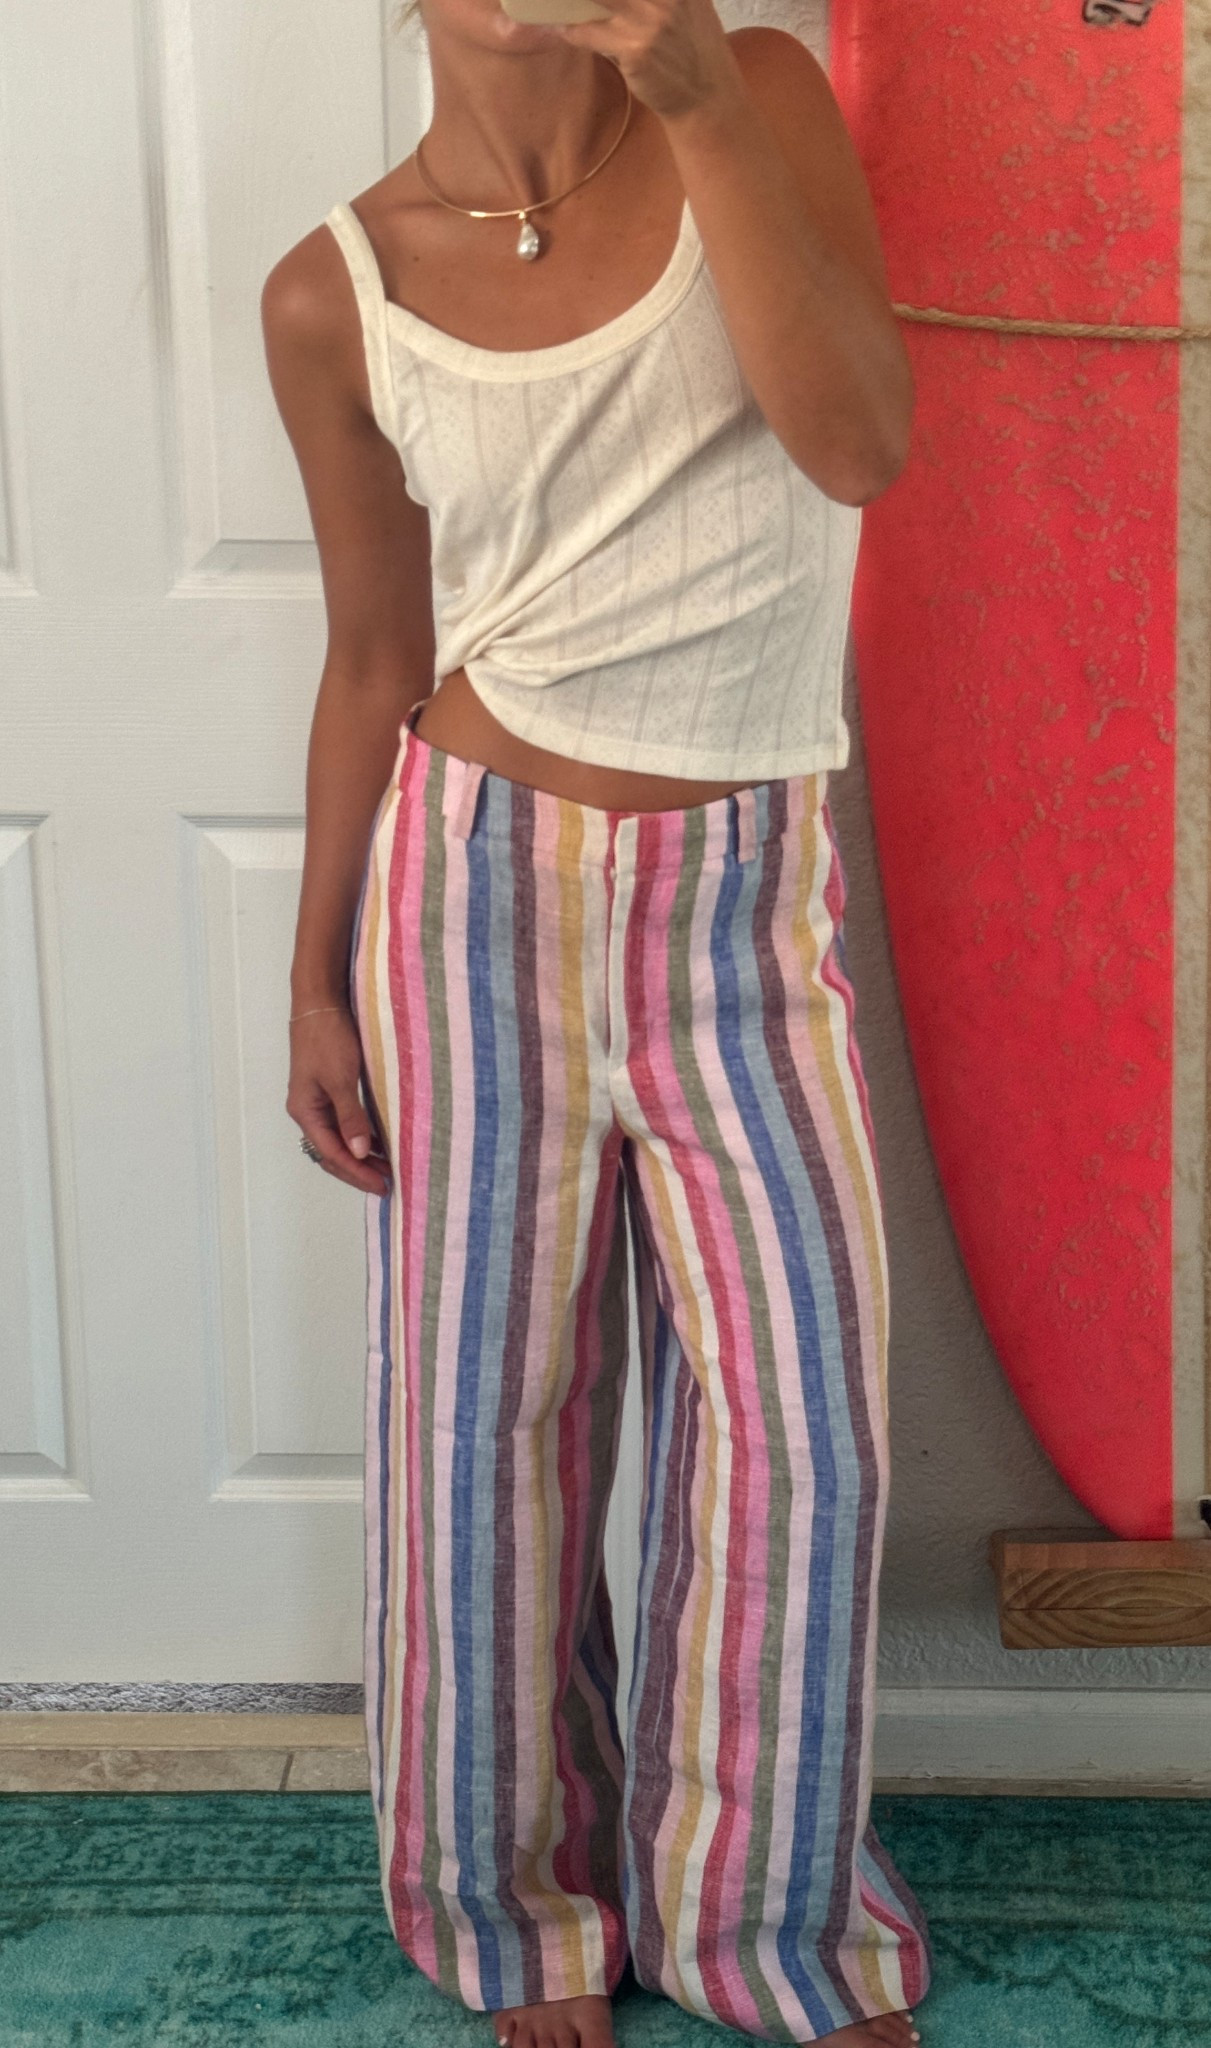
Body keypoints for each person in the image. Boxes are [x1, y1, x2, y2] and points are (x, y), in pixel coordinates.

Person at [261, 0, 932, 2041]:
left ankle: (764, 1926)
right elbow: (371, 652)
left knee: (804, 1437)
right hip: (467, 898)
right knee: (481, 1438)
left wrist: (695, 93)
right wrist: (311, 968)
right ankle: (512, 1905)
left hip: (749, 894)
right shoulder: (336, 289)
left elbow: (861, 444)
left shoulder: (761, 88)